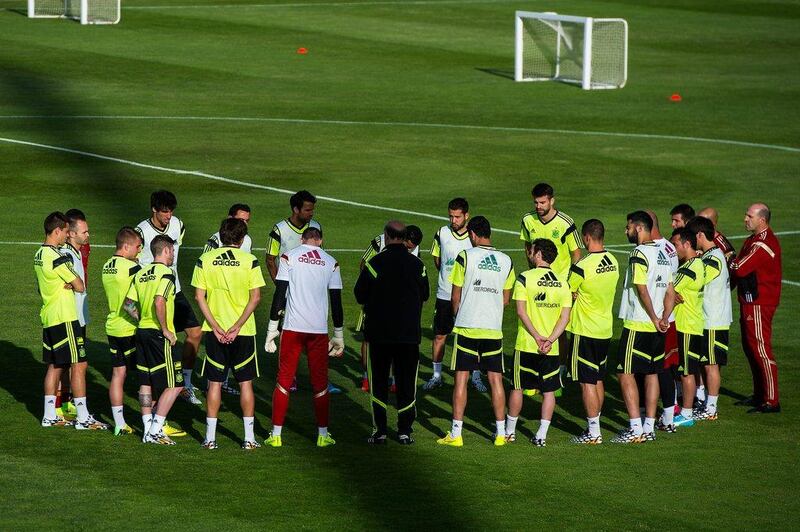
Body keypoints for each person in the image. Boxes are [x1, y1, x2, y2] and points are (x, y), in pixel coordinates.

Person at [435, 216, 514, 447]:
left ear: (472, 234)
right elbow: (506, 299)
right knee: (496, 381)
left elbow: (455, 296)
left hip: (468, 327)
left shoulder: (465, 256)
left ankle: (456, 434)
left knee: (461, 379)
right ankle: (500, 434)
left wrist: (462, 313)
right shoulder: (506, 260)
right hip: (493, 328)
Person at [264, 227, 344, 447]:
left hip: (292, 328)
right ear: (321, 241)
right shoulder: (331, 262)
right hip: (318, 331)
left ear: (302, 239)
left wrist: (272, 328)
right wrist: (339, 335)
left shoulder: (289, 257)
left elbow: (280, 293)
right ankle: (322, 435)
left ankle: (276, 435)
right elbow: (336, 301)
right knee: (320, 384)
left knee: (284, 380)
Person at [192, 218, 266, 450]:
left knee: (214, 383)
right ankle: (249, 439)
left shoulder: (205, 260)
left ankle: (210, 438)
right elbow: (256, 298)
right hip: (243, 331)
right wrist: (237, 326)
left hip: (215, 332)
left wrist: (214, 326)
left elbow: (198, 296)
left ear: (221, 236)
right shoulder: (249, 260)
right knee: (245, 383)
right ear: (242, 239)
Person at [354, 221, 429, 445]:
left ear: (386, 236)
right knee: (407, 384)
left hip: (380, 335)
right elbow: (425, 294)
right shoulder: (417, 265)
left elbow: (359, 294)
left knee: (378, 383)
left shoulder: (375, 263)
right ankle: (405, 431)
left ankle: (380, 431)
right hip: (408, 335)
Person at [36, 212, 107, 430]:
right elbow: (79, 285)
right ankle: (83, 417)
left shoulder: (39, 254)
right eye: (66, 231)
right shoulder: (58, 256)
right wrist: (72, 283)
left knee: (56, 366)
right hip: (65, 317)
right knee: (80, 364)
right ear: (57, 231)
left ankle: (49, 415)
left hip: (49, 315)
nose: (67, 236)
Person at [265, 191, 338, 394]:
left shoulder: (316, 228)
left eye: (313, 209)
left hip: (313, 296)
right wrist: (282, 287)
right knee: (287, 334)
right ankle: (290, 378)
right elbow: (270, 259)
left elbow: (323, 256)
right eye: (308, 209)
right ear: (296, 209)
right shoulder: (279, 229)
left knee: (319, 334)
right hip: (289, 294)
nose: (311, 213)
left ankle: (323, 380)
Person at [136, 190, 203, 406]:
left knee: (195, 333)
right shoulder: (142, 232)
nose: (169, 215)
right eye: (165, 211)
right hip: (154, 294)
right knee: (159, 345)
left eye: (171, 210)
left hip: (175, 291)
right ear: (154, 209)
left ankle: (186, 383)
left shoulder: (178, 225)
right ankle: (156, 402)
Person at [613, 211, 674, 444]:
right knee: (651, 372)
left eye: (628, 227)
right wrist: (664, 317)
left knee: (625, 372)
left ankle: (635, 428)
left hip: (638, 323)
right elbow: (670, 291)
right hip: (658, 327)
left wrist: (652, 316)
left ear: (639, 228)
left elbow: (641, 288)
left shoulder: (638, 253)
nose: (626, 231)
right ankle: (649, 426)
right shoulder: (663, 254)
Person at [505, 239, 572, 447]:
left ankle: (509, 432)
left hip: (526, 344)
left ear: (539, 254)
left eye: (532, 251)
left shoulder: (525, 278)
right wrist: (550, 339)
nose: (530, 254)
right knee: (549, 391)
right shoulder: (563, 283)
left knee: (517, 387)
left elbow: (521, 312)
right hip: (550, 349)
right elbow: (565, 318)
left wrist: (536, 337)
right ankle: (541, 435)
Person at [125, 235, 185, 445]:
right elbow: (160, 301)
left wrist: (142, 319)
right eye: (173, 251)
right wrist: (166, 329)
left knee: (146, 381)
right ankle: (155, 429)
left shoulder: (141, 274)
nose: (173, 256)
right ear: (166, 250)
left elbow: (128, 304)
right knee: (176, 384)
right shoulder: (167, 274)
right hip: (158, 335)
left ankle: (147, 427)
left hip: (141, 332)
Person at [519, 183, 583, 375]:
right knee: (534, 323)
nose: (538, 206)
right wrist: (532, 273)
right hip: (535, 282)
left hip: (559, 284)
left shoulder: (565, 222)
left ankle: (561, 367)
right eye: (536, 202)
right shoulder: (528, 220)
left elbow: (577, 254)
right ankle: (533, 368)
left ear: (552, 201)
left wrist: (570, 284)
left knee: (560, 328)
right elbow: (527, 247)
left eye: (542, 202)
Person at [565, 220, 619, 445]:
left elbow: (566, 293)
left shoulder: (582, 266)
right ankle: (595, 424)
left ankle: (594, 432)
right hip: (605, 329)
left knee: (586, 381)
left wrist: (574, 295)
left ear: (586, 238)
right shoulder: (614, 261)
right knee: (597, 378)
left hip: (584, 330)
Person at [424, 198, 486, 392]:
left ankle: (475, 377)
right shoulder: (442, 233)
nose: (453, 220)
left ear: (466, 215)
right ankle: (436, 376)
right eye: (451, 216)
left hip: (468, 296)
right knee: (440, 335)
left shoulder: (473, 236)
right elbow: (437, 258)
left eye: (457, 216)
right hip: (444, 294)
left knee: (473, 337)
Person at [356, 225, 423, 392]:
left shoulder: (416, 249)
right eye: (407, 246)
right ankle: (366, 377)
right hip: (376, 301)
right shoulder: (380, 242)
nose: (409, 250)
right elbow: (364, 264)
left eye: (412, 248)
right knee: (368, 339)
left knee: (396, 340)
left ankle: (394, 380)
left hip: (399, 304)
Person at [731, 203, 782, 413]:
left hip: (760, 303)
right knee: (751, 348)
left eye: (749, 216)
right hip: (750, 301)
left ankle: (772, 400)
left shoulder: (762, 244)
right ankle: (760, 394)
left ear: (762, 219)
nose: (745, 219)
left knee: (761, 349)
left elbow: (740, 268)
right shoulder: (753, 240)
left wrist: (732, 261)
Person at [203, 203, 253, 396]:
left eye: (247, 221)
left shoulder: (246, 240)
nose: (245, 224)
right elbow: (205, 270)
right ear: (230, 218)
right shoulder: (214, 241)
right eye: (241, 220)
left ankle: (221, 381)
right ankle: (215, 381)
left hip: (238, 301)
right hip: (217, 302)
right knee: (219, 343)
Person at [688, 216, 732, 421]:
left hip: (714, 320)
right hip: (708, 319)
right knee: (705, 362)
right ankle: (707, 403)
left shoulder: (714, 258)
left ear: (699, 235)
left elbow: (699, 279)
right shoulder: (710, 255)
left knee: (711, 364)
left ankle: (711, 408)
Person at [101, 227, 144, 435]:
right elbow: (130, 304)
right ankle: (153, 421)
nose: (139, 251)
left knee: (118, 374)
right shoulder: (132, 268)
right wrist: (143, 320)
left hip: (112, 326)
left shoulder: (106, 265)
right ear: (126, 246)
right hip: (130, 329)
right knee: (147, 376)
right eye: (137, 247)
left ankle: (119, 422)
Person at [645, 209, 681, 426]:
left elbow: (661, 286)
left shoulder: (658, 249)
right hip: (664, 317)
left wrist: (661, 316)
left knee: (660, 367)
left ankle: (668, 414)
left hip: (658, 318)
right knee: (660, 367)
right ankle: (666, 412)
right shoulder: (668, 246)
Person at [55, 209, 90, 420]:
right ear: (71, 233)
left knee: (70, 362)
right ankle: (61, 406)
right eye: (84, 232)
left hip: (80, 316)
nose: (88, 235)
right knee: (70, 363)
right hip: (70, 317)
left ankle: (66, 402)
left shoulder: (79, 251)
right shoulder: (66, 254)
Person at [670, 228, 706, 428]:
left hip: (685, 326)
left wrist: (671, 294)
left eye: (676, 245)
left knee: (686, 372)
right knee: (688, 370)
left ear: (687, 244)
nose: (674, 250)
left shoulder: (687, 270)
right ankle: (686, 410)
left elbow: (669, 291)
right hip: (695, 324)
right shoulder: (699, 265)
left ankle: (686, 413)